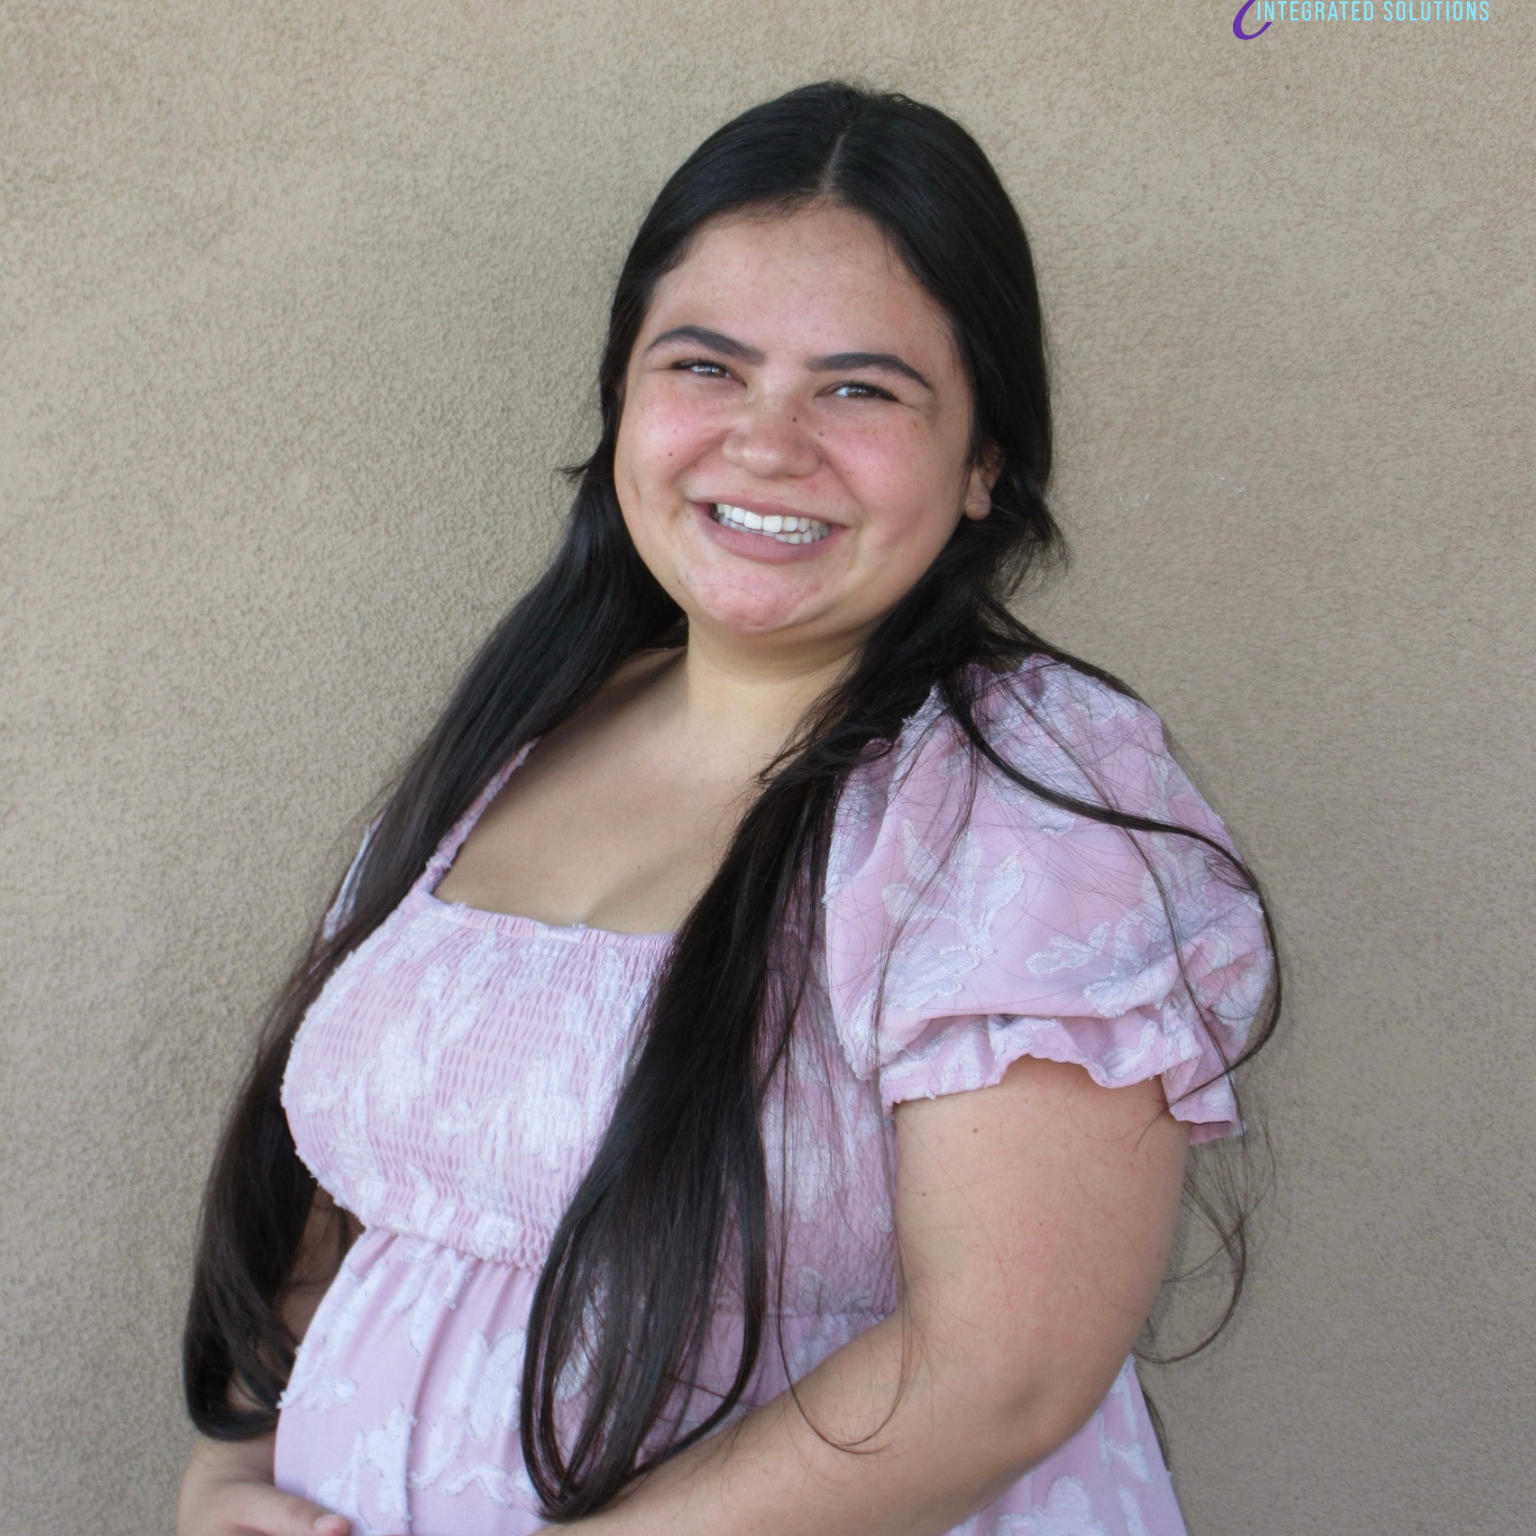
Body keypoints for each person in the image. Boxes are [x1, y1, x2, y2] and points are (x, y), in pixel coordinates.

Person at [178, 81, 1278, 1536]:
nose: (768, 443)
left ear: (984, 462)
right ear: (624, 398)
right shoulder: (524, 732)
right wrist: (237, 1468)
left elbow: (998, 1373)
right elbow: (364, 1179)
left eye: (861, 388)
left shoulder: (1028, 797)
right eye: (707, 367)